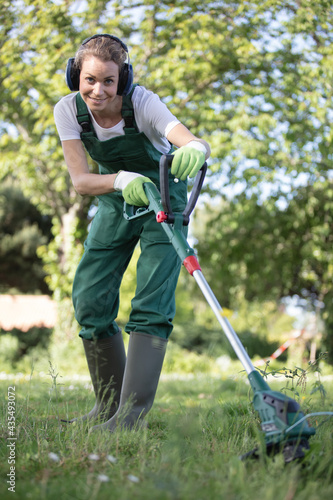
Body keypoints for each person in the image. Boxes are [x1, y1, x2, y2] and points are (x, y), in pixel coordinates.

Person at [54, 34, 210, 432]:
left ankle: (130, 416)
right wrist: (122, 180)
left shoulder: (142, 103)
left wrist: (196, 148)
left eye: (109, 81)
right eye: (90, 79)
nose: (98, 90)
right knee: (89, 298)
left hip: (162, 200)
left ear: (122, 80)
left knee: (151, 304)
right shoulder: (68, 111)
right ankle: (107, 405)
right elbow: (82, 181)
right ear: (76, 75)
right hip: (115, 199)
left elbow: (186, 138)